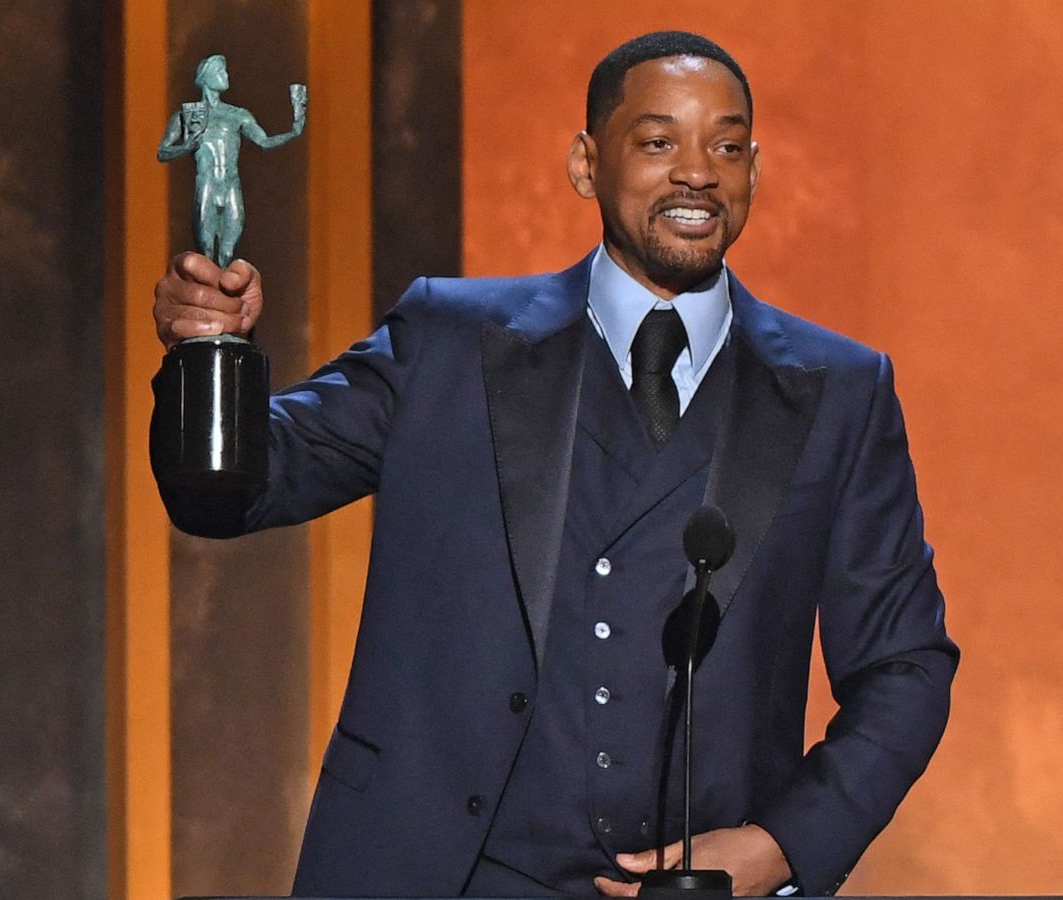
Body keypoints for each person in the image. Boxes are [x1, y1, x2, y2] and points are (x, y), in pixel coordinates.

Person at [153, 31, 957, 898]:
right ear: (586, 163)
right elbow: (236, 492)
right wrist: (209, 357)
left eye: (725, 147)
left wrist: (777, 846)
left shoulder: (840, 391)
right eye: (658, 142)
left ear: (754, 171)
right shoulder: (448, 343)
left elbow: (904, 668)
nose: (698, 172)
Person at [157, 54, 308, 266]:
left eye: (225, 71)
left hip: (230, 187)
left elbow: (263, 141)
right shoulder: (186, 116)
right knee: (206, 253)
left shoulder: (238, 115)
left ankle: (225, 295)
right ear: (206, 78)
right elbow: (162, 152)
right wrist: (185, 147)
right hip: (206, 186)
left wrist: (292, 132)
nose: (226, 76)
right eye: (220, 72)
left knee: (227, 254)